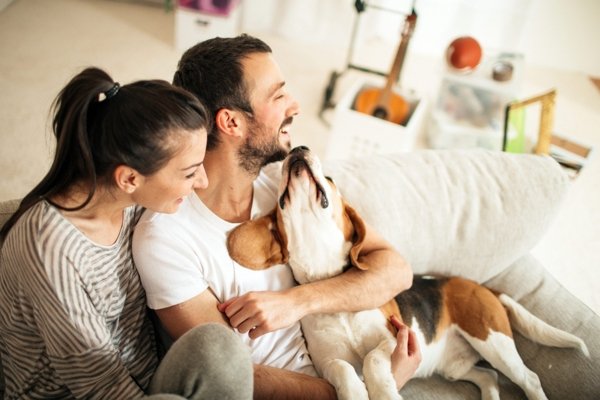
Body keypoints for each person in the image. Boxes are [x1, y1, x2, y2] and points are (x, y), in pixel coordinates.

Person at [132, 34, 421, 399]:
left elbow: (396, 270)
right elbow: (231, 372)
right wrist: (369, 389)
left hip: (350, 360)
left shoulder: (284, 180)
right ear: (231, 123)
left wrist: (297, 302)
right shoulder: (165, 238)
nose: (295, 105)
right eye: (278, 95)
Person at [0, 67, 253, 399]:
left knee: (220, 347)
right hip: (88, 392)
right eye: (190, 173)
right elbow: (99, 387)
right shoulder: (51, 249)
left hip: (145, 369)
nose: (202, 182)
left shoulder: (131, 200)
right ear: (129, 179)